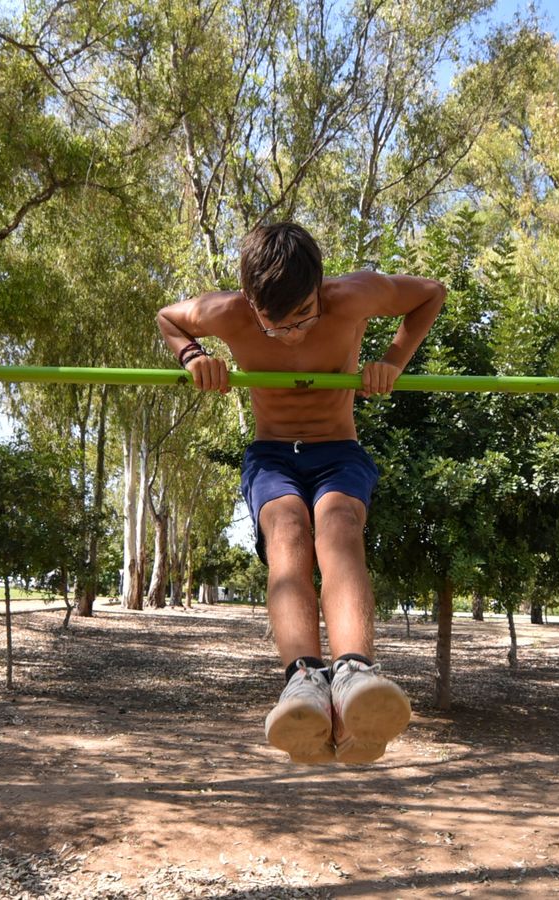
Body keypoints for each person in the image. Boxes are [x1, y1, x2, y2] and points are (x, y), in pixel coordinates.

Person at [156, 222, 445, 764]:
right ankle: (303, 682)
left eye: (303, 318)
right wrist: (193, 357)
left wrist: (394, 360)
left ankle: (355, 675)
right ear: (250, 302)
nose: (291, 334)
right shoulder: (228, 313)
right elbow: (169, 317)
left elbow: (430, 293)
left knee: (337, 527)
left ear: (320, 290)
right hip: (272, 454)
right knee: (287, 530)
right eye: (275, 325)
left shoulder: (352, 296)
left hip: (338, 449)